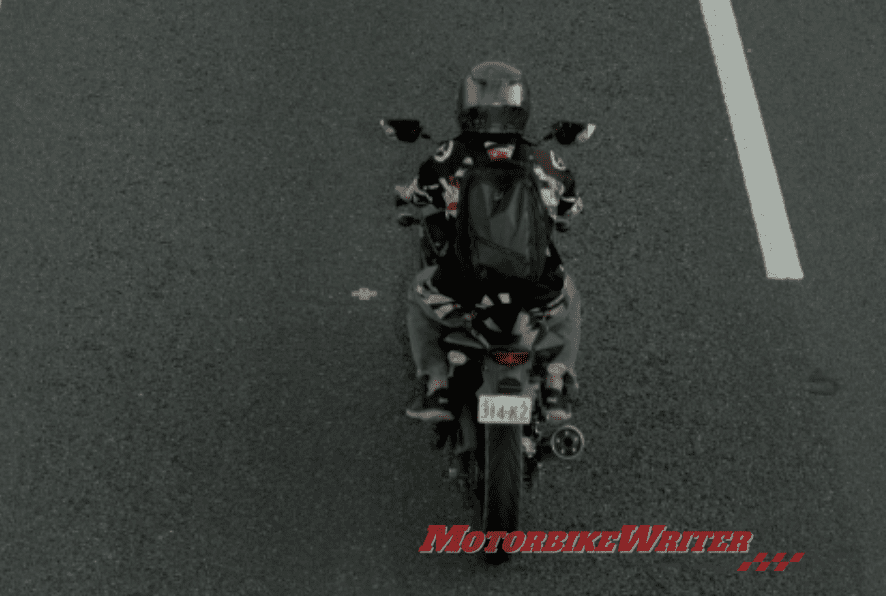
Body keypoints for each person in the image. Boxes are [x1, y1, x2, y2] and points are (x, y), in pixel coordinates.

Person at [401, 61, 584, 425]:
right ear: (523, 108)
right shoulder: (546, 159)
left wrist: (405, 197)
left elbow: (417, 195)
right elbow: (571, 206)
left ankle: (437, 383)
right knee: (571, 297)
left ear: (465, 107)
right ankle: (555, 381)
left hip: (464, 286)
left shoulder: (448, 156)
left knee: (418, 293)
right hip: (537, 289)